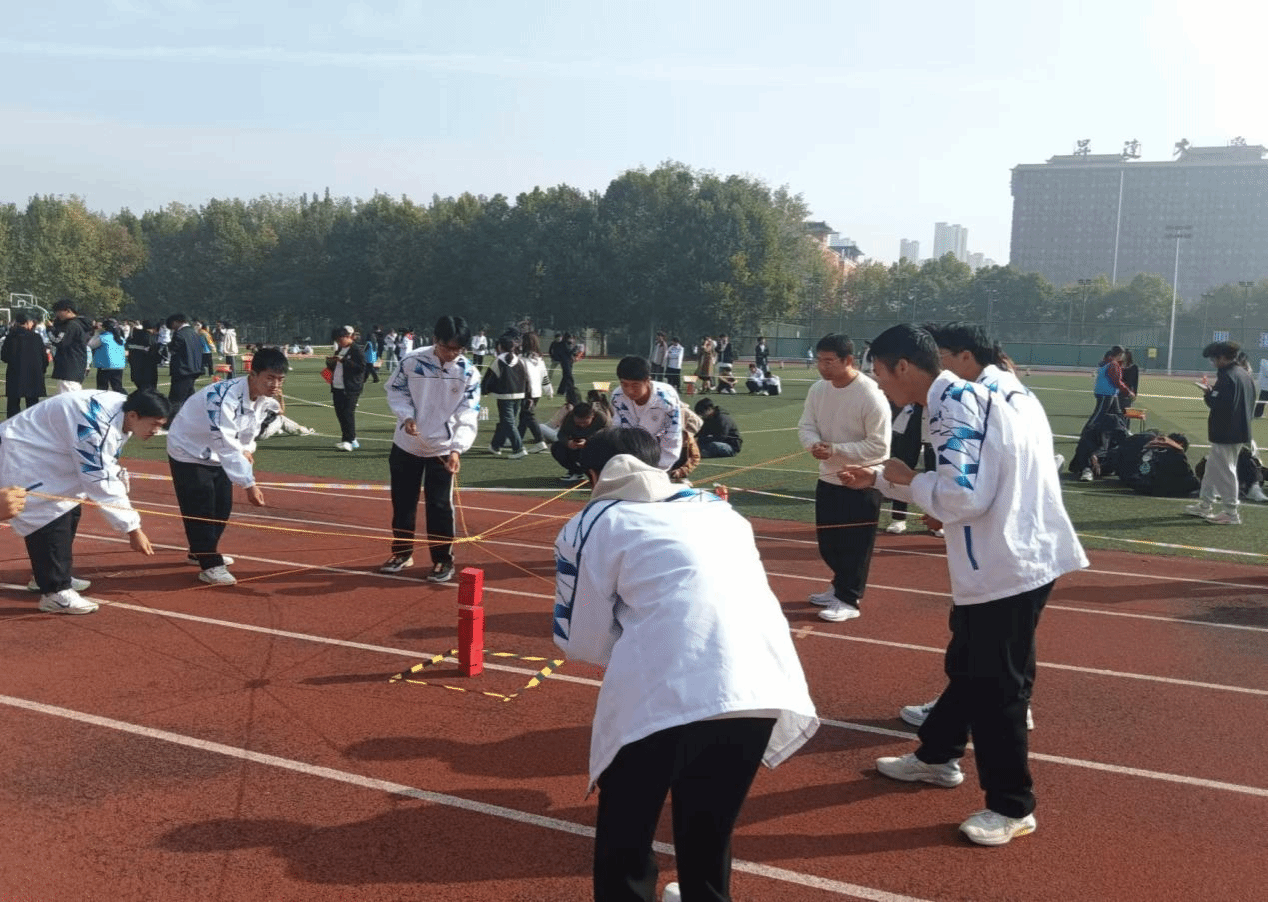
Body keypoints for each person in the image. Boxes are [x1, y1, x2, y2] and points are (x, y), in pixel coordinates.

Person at [839, 323, 1087, 847]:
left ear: (903, 366)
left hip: (1006, 563)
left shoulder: (954, 403)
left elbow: (962, 497)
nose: (878, 383)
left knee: (998, 689)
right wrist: (884, 480)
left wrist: (908, 480)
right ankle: (937, 755)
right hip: (1012, 553)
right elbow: (971, 485)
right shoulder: (979, 395)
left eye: (879, 372)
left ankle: (1012, 806)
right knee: (972, 666)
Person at [552, 427, 818, 902]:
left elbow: (582, 640)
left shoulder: (596, 521)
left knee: (626, 834)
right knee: (710, 827)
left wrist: (632, 639)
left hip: (662, 692)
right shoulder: (720, 509)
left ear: (594, 475)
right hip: (758, 683)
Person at [0, 388, 170, 614]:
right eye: (154, 424)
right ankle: (55, 593)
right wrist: (133, 530)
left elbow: (104, 461)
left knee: (70, 505)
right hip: (23, 452)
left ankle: (48, 575)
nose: (156, 431)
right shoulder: (97, 426)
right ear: (133, 416)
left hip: (47, 450)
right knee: (50, 512)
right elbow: (100, 480)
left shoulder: (124, 409)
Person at [166, 348, 287, 586]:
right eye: (270, 378)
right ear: (253, 374)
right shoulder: (223, 397)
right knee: (201, 506)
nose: (275, 385)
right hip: (188, 450)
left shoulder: (264, 400)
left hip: (217, 452)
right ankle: (209, 564)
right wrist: (249, 484)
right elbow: (226, 443)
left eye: (280, 379)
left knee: (222, 506)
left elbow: (248, 432)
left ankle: (200, 551)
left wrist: (247, 450)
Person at [798, 333, 891, 623]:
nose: (822, 367)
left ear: (848, 360)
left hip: (862, 480)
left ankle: (849, 598)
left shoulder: (870, 395)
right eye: (819, 360)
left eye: (829, 361)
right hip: (828, 477)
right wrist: (814, 445)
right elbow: (806, 425)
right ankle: (839, 587)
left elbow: (880, 446)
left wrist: (836, 449)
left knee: (856, 544)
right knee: (829, 543)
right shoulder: (818, 390)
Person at [382, 315, 481, 580]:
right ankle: (402, 553)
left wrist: (457, 448)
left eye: (459, 349)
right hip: (407, 444)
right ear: (435, 339)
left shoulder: (467, 372)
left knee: (440, 506)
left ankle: (442, 560)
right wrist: (407, 416)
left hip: (442, 448)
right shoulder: (412, 361)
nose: (453, 354)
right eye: (448, 347)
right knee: (403, 502)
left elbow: (468, 412)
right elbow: (395, 390)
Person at [1185, 340, 1256, 525]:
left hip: (1226, 432)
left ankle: (1231, 512)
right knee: (1212, 469)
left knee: (1225, 471)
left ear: (1223, 357)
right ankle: (1205, 504)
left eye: (1214, 359)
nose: (1213, 363)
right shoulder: (1244, 374)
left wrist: (1208, 393)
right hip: (1238, 430)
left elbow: (1218, 403)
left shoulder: (1227, 376)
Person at [1071, 345, 1134, 481]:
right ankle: (1087, 432)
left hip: (1110, 393)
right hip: (1106, 393)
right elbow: (1116, 381)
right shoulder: (1113, 365)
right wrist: (1128, 392)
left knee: (1117, 413)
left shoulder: (1106, 363)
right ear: (1119, 354)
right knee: (1098, 415)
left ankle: (1124, 431)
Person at [609, 355, 682, 471]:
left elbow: (672, 436)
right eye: (624, 385)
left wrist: (659, 468)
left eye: (635, 385)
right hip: (631, 457)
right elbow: (618, 429)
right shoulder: (617, 397)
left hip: (658, 456)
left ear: (647, 381)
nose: (629, 391)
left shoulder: (667, 400)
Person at [481, 334, 529, 459]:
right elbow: (526, 379)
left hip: (504, 396)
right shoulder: (519, 360)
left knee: (508, 422)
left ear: (500, 347)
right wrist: (527, 395)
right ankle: (495, 446)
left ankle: (518, 449)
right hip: (519, 395)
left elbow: (489, 377)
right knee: (506, 422)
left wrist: (484, 390)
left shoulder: (498, 360)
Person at [327, 325, 367, 452]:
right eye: (337, 340)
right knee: (340, 414)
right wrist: (331, 363)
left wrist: (344, 361)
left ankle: (349, 441)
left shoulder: (356, 350)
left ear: (348, 337)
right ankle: (349, 439)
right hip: (337, 386)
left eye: (340, 339)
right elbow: (335, 367)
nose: (339, 342)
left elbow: (361, 368)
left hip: (351, 387)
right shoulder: (340, 349)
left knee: (348, 414)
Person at [550, 400, 609, 482]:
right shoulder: (569, 417)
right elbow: (561, 434)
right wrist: (568, 442)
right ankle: (576, 471)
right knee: (557, 447)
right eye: (579, 422)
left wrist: (588, 442)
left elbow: (606, 437)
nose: (582, 425)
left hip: (596, 448)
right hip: (576, 445)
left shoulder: (601, 418)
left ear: (592, 416)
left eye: (585, 422)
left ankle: (599, 472)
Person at [2, 311, 48, 417]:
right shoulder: (36, 337)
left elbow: (4, 356)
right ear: (28, 322)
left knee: (13, 405)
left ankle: (12, 425)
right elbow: (44, 358)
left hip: (15, 374)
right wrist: (42, 370)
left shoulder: (11, 337)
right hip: (33, 375)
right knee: (32, 405)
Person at [49, 299, 92, 393]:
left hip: (70, 367)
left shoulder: (71, 325)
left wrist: (50, 330)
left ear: (68, 311)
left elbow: (59, 341)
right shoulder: (77, 324)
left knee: (69, 397)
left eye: (59, 311)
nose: (57, 314)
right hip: (74, 366)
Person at [517, 332, 549, 453]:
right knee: (524, 416)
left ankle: (540, 441)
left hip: (527, 392)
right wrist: (548, 389)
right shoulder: (539, 359)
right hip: (536, 392)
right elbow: (544, 376)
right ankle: (517, 439)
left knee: (528, 416)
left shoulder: (522, 358)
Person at [166, 313, 203, 415]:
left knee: (175, 399)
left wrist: (168, 346)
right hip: (194, 368)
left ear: (176, 322)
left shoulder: (179, 334)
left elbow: (173, 349)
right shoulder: (194, 332)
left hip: (182, 370)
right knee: (190, 397)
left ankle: (171, 420)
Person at [88, 318, 127, 393]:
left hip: (105, 365)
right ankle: (125, 397)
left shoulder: (103, 337)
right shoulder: (120, 338)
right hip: (119, 365)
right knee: (117, 387)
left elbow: (90, 344)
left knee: (102, 388)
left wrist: (96, 332)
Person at [125, 319, 161, 392]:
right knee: (150, 392)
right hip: (148, 371)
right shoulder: (150, 339)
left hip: (135, 369)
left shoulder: (132, 337)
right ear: (154, 328)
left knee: (141, 390)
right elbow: (155, 357)